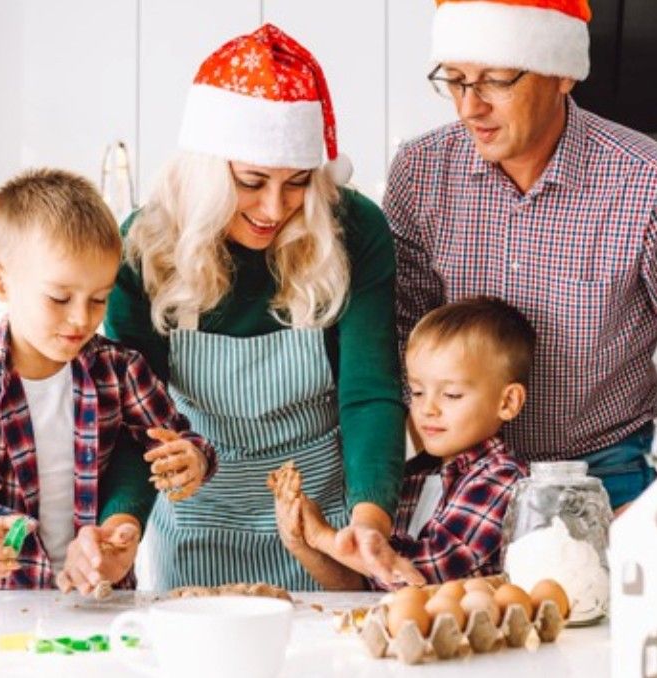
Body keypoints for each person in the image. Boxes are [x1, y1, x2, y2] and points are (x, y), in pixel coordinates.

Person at [104, 24, 422, 591]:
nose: (274, 208)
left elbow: (369, 392)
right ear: (206, 171)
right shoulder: (144, 246)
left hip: (321, 525)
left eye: (297, 182)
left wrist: (368, 520)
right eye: (251, 181)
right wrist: (121, 522)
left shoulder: (353, 229)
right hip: (197, 517)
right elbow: (132, 418)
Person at [386, 0, 657, 508]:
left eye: (496, 80)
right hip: (461, 481)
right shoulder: (421, 171)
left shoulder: (653, 187)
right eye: (456, 79)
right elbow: (399, 323)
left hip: (606, 479)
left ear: (563, 74)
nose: (468, 107)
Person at [0, 168, 216, 590]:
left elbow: (180, 440)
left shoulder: (120, 370)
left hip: (99, 596)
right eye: (60, 298)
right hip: (1, 601)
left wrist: (192, 460)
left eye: (99, 299)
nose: (82, 318)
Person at [274, 297, 532, 587]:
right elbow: (360, 588)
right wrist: (302, 541)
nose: (427, 409)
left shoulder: (503, 479)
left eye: (452, 395)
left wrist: (324, 537)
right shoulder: (411, 477)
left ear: (508, 401)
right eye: (418, 392)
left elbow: (425, 576)